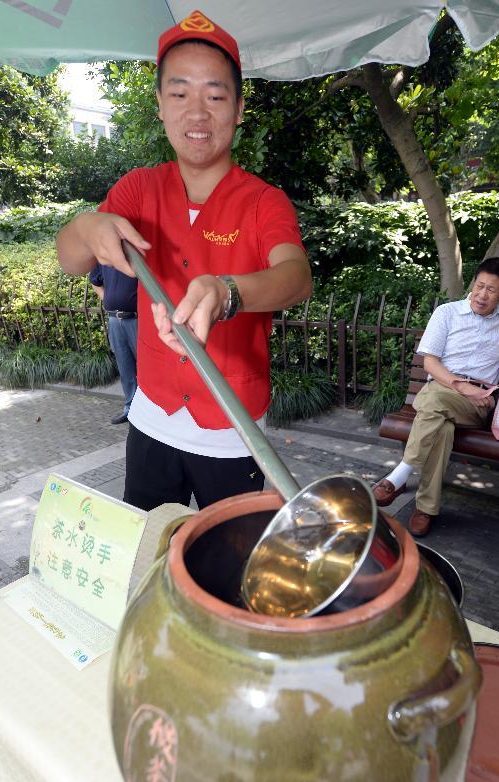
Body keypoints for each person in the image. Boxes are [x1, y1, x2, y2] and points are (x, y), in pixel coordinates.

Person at [56, 10, 311, 511]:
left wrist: (228, 291)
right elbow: (69, 257)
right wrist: (87, 226)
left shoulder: (265, 202)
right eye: (179, 94)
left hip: (234, 429)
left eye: (215, 96)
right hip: (151, 417)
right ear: (159, 105)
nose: (197, 113)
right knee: (149, 555)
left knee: (225, 568)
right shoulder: (138, 189)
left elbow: (296, 278)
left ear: (238, 109)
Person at [373, 258, 499, 537]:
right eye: (479, 285)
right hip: (444, 388)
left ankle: (399, 475)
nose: (482, 295)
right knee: (441, 425)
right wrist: (462, 386)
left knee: (432, 403)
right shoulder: (447, 313)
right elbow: (430, 364)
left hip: (478, 403)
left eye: (492, 290)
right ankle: (426, 508)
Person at [89, 264, 138, 425]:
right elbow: (94, 281)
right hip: (114, 320)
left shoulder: (136, 253)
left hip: (138, 319)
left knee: (147, 368)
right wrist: (108, 298)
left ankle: (153, 412)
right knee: (125, 368)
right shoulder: (104, 254)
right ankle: (130, 409)